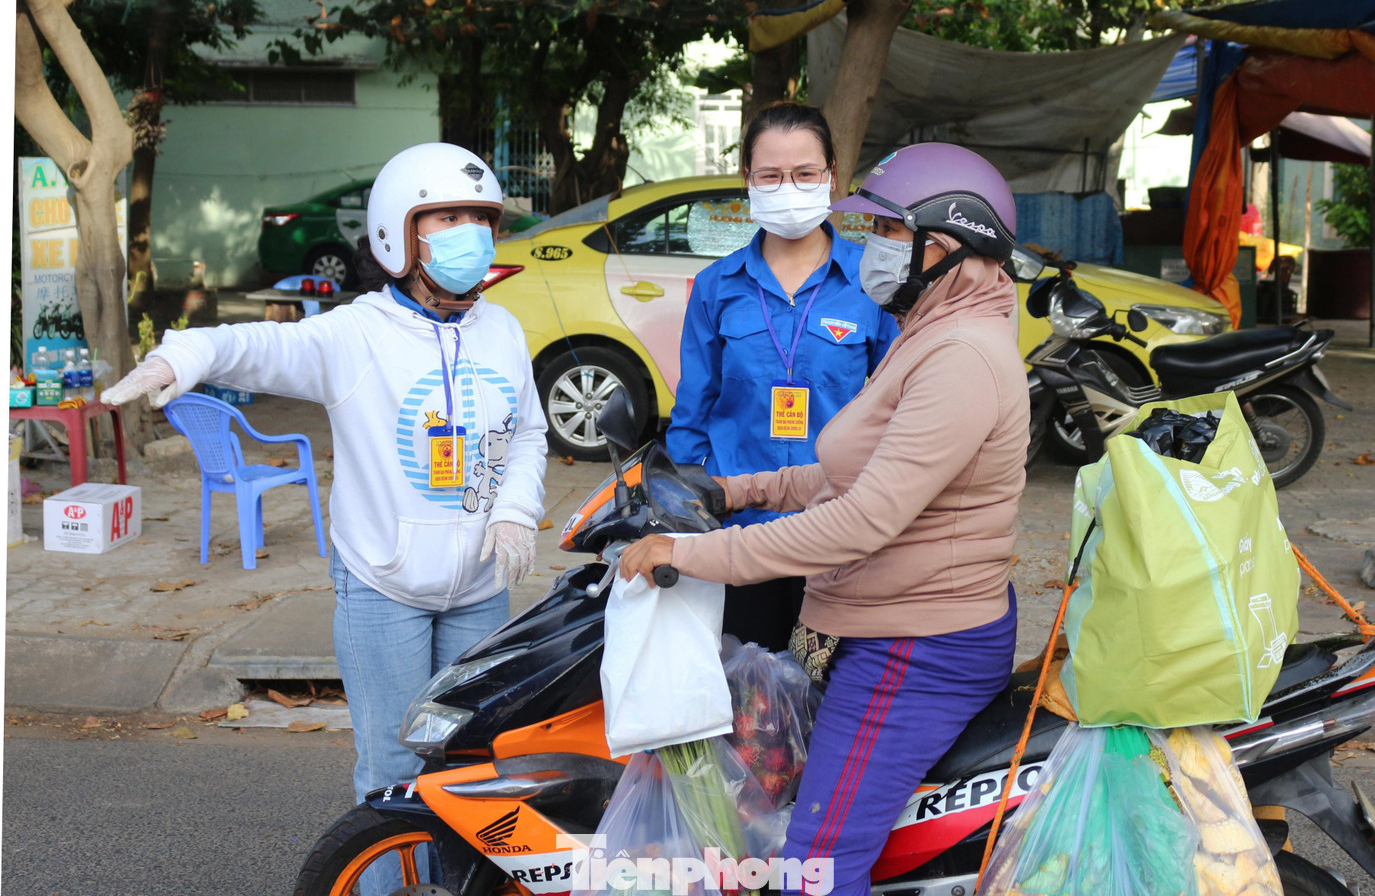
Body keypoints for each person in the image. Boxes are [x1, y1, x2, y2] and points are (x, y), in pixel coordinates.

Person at [102, 144, 548, 883]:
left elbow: (529, 431)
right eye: (447, 215)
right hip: (382, 587)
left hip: (480, 588)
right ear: (395, 233)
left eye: (479, 216)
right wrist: (183, 356)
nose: (469, 229)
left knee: (472, 767)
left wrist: (517, 510)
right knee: (391, 773)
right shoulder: (357, 333)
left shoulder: (501, 330)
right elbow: (259, 346)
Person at [622, 143, 1028, 896]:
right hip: (895, 621)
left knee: (818, 861)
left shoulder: (962, 357)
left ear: (945, 246)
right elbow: (849, 468)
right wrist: (736, 492)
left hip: (916, 645)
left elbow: (859, 518)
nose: (873, 249)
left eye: (890, 233)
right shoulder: (932, 331)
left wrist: (694, 551)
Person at [666, 102, 898, 650]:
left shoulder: (873, 284)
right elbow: (693, 410)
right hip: (738, 530)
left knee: (823, 694)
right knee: (747, 697)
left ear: (831, 176)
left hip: (838, 528)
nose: (788, 187)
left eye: (804, 174)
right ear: (748, 180)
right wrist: (678, 504)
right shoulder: (715, 286)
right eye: (770, 175)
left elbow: (899, 403)